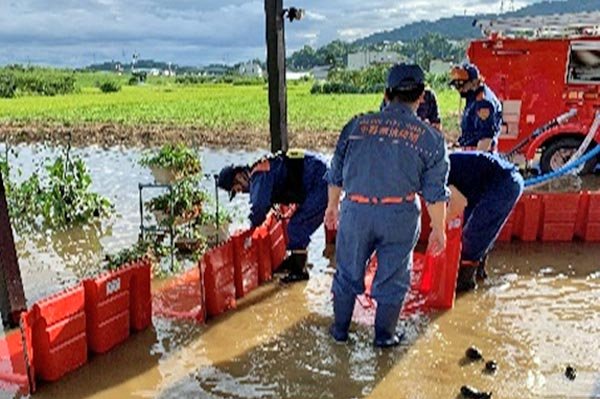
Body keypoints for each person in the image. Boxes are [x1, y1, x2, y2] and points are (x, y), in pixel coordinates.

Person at [324, 63, 450, 348]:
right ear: (421, 97)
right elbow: (434, 192)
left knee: (346, 274)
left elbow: (335, 172)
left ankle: (340, 333)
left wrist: (333, 206)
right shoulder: (431, 139)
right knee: (393, 279)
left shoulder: (356, 125)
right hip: (400, 215)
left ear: (386, 94)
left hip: (356, 211)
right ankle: (384, 338)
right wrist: (439, 230)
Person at [217, 150, 328, 283]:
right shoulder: (261, 169)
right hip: (320, 175)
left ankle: (299, 272)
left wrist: (250, 231)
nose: (240, 192)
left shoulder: (259, 175)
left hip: (320, 182)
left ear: (240, 177)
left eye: (237, 188)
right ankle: (297, 261)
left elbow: (259, 207)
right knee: (297, 225)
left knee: (296, 227)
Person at [445, 151, 524, 292]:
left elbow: (458, 204)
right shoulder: (434, 167)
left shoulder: (437, 173)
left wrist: (439, 228)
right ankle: (480, 276)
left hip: (504, 182)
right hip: (485, 186)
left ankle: (465, 287)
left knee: (472, 238)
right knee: (475, 233)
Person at [449, 63, 502, 152]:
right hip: (470, 151)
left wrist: (475, 163)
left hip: (478, 154)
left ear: (474, 82)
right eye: (456, 85)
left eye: (461, 84)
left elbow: (485, 140)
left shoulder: (483, 103)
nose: (459, 89)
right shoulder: (472, 98)